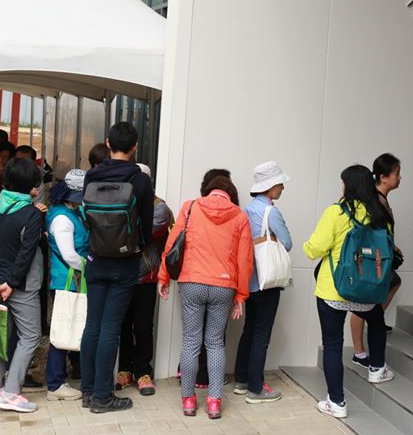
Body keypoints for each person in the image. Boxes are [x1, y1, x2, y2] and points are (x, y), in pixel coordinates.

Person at [305, 165, 396, 422]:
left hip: (334, 289)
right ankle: (377, 368)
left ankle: (337, 402)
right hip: (366, 290)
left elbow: (315, 248)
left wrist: (307, 246)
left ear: (349, 185)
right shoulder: (379, 215)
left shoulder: (336, 212)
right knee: (376, 320)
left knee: (333, 345)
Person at [159, 175, 252, 420]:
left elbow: (171, 244)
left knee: (191, 341)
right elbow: (245, 259)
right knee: (215, 343)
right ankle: (213, 402)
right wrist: (241, 295)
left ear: (208, 191)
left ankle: (189, 400)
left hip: (192, 282)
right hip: (224, 286)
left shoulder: (190, 207)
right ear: (230, 194)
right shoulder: (240, 217)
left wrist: (163, 277)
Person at [80, 122, 155, 414]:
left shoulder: (92, 175)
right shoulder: (140, 180)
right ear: (135, 146)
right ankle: (103, 396)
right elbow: (146, 225)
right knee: (111, 328)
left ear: (108, 143)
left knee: (92, 325)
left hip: (96, 259)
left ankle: (88, 391)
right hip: (125, 263)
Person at [0, 157, 46, 413]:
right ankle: (11, 393)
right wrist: (13, 282)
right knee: (30, 335)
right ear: (31, 185)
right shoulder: (31, 213)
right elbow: (26, 253)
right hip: (20, 285)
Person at [234, 161, 293, 404]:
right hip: (268, 281)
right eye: (279, 184)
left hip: (249, 279)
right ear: (269, 186)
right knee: (262, 333)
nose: (282, 188)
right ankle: (256, 389)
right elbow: (287, 243)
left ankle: (241, 380)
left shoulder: (246, 210)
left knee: (250, 329)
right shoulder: (271, 212)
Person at [117, 163, 172, 397]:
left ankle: (142, 371)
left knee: (143, 326)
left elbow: (138, 235)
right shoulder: (121, 201)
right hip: (122, 275)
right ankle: (124, 369)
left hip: (145, 276)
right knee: (122, 325)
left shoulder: (159, 207)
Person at [352, 154, 402, 367]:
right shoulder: (375, 201)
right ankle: (359, 351)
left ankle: (374, 321)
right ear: (383, 177)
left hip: (378, 258)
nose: (399, 177)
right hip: (372, 260)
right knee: (362, 302)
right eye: (396, 173)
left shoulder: (378, 198)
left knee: (390, 284)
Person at [45, 169, 88, 401]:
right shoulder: (62, 219)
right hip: (66, 280)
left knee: (72, 326)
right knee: (62, 331)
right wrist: (90, 266)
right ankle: (55, 384)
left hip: (72, 279)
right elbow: (69, 255)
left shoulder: (70, 211)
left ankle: (73, 374)